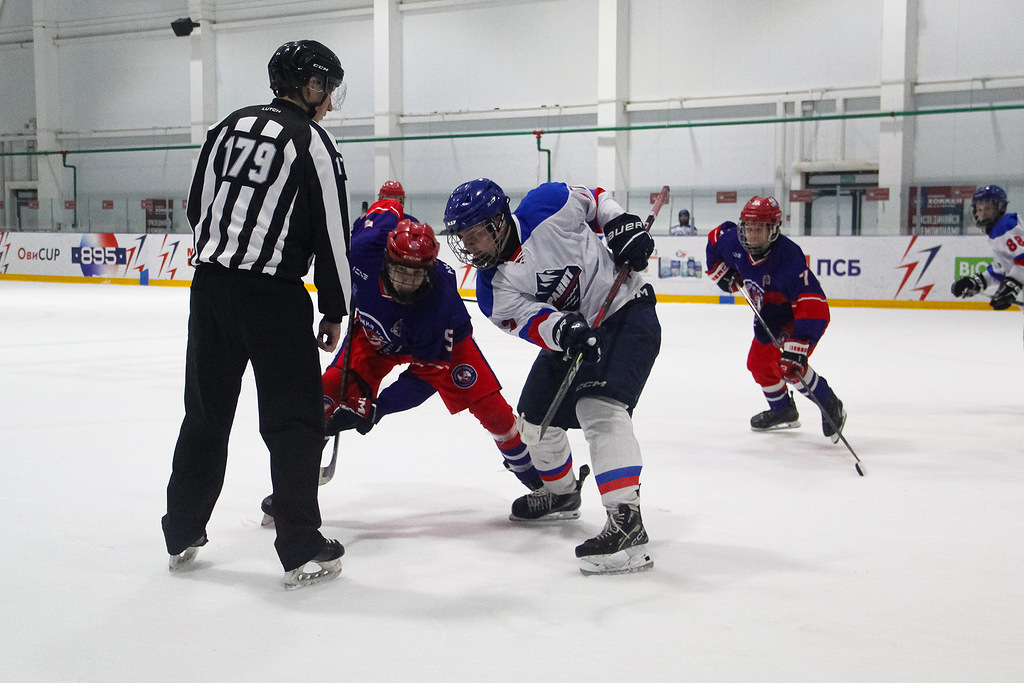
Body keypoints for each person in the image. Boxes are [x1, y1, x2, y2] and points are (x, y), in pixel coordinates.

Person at [162, 39, 352, 590]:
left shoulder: (227, 126)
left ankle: (181, 529)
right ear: (312, 86)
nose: (331, 103)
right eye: (329, 89)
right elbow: (332, 234)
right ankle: (301, 547)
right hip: (273, 297)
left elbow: (198, 204)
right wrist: (334, 305)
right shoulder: (312, 141)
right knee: (294, 421)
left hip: (210, 287)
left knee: (204, 412)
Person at [261, 210, 541, 525]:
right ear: (386, 259)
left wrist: (376, 409)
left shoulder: (441, 302)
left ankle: (542, 482)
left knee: (496, 414)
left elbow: (424, 377)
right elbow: (382, 212)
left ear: (431, 269)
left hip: (436, 343)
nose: (407, 282)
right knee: (322, 400)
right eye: (400, 271)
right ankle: (292, 491)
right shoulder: (364, 249)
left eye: (417, 274)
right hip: (373, 336)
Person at [443, 179, 660, 576]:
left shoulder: (546, 205)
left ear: (497, 222)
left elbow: (594, 201)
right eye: (463, 239)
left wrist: (619, 223)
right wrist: (565, 331)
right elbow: (534, 322)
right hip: (574, 335)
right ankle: (561, 496)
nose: (470, 247)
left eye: (474, 235)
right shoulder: (493, 289)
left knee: (599, 407)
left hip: (628, 311)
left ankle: (627, 522)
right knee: (532, 424)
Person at [705, 196, 846, 441]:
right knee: (758, 364)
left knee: (791, 367)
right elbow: (715, 239)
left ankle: (830, 402)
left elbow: (813, 303)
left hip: (795, 317)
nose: (752, 234)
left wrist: (799, 343)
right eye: (749, 227)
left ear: (773, 229)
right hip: (768, 313)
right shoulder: (733, 243)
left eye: (760, 228)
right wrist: (722, 274)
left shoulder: (789, 258)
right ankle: (783, 410)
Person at [951, 185, 1024, 322]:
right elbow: (1001, 271)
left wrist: (1011, 286)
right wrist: (976, 282)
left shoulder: (1005, 226)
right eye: (979, 209)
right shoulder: (998, 231)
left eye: (988, 209)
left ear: (1000, 208)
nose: (983, 214)